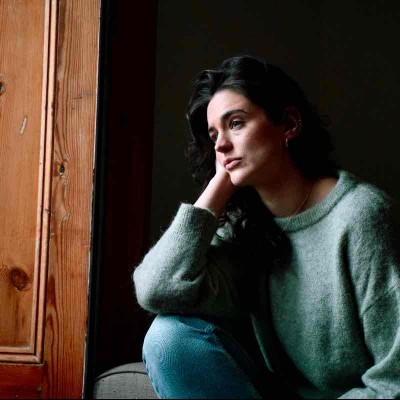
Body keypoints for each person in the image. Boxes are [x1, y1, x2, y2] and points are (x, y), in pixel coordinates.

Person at [133, 55, 400, 399]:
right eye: (214, 135)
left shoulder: (362, 217)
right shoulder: (246, 228)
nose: (220, 145)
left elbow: (394, 381)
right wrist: (218, 187)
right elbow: (157, 289)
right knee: (168, 337)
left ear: (289, 124)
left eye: (236, 123)